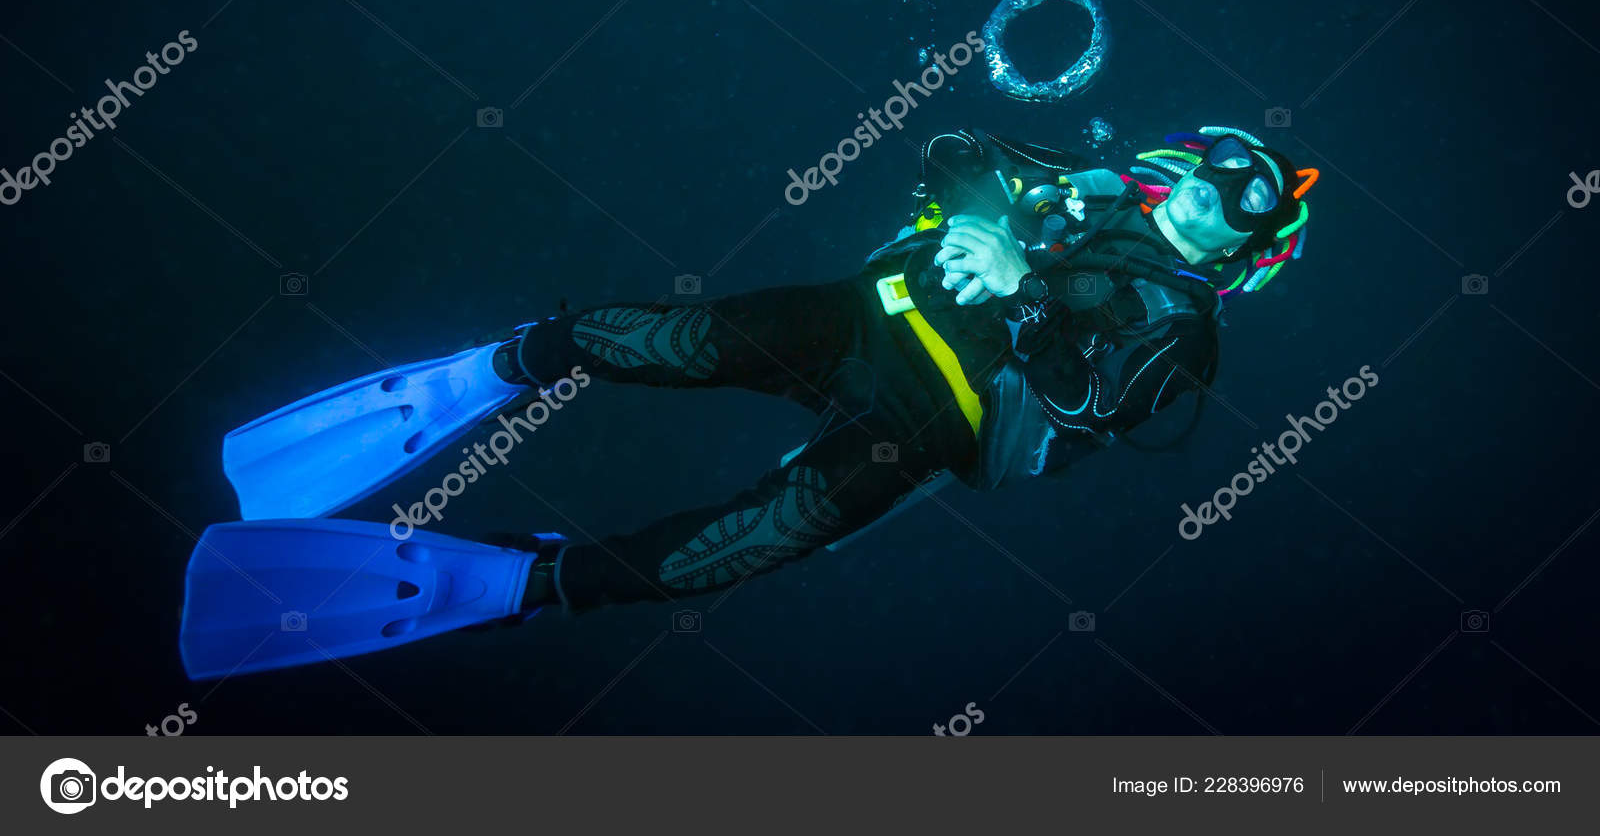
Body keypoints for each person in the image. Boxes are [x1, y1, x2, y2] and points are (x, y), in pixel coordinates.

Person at [179, 125, 1317, 678]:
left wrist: (1022, 289)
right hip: (868, 314)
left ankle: (524, 580)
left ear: (1254, 241)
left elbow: (1096, 409)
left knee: (748, 541)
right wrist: (1006, 211)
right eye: (1226, 165)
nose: (1227, 191)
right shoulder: (1077, 183)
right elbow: (952, 149)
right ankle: (504, 366)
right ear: (1194, 155)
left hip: (932, 424)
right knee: (678, 340)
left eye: (1249, 199)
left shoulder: (1184, 333)